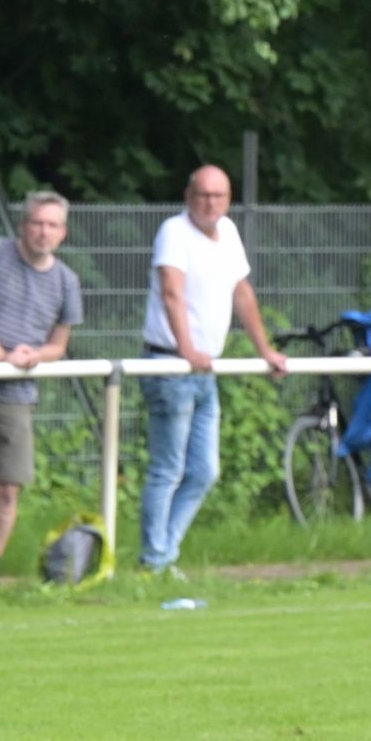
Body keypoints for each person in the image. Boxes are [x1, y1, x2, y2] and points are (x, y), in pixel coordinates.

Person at [137, 166, 288, 575]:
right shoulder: (175, 230)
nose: (211, 203)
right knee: (168, 468)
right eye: (204, 195)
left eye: (219, 196)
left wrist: (266, 349)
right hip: (171, 364)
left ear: (229, 198)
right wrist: (187, 349)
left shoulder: (229, 233)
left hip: (204, 372)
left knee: (204, 471)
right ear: (189, 196)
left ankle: (164, 553)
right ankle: (156, 561)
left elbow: (242, 292)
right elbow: (172, 290)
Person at [0, 191, 83, 591]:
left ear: (63, 232)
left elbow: (59, 344)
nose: (44, 231)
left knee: (8, 488)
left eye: (52, 225)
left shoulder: (67, 281)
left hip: (18, 396)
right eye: (37, 222)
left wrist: (33, 356)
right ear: (24, 225)